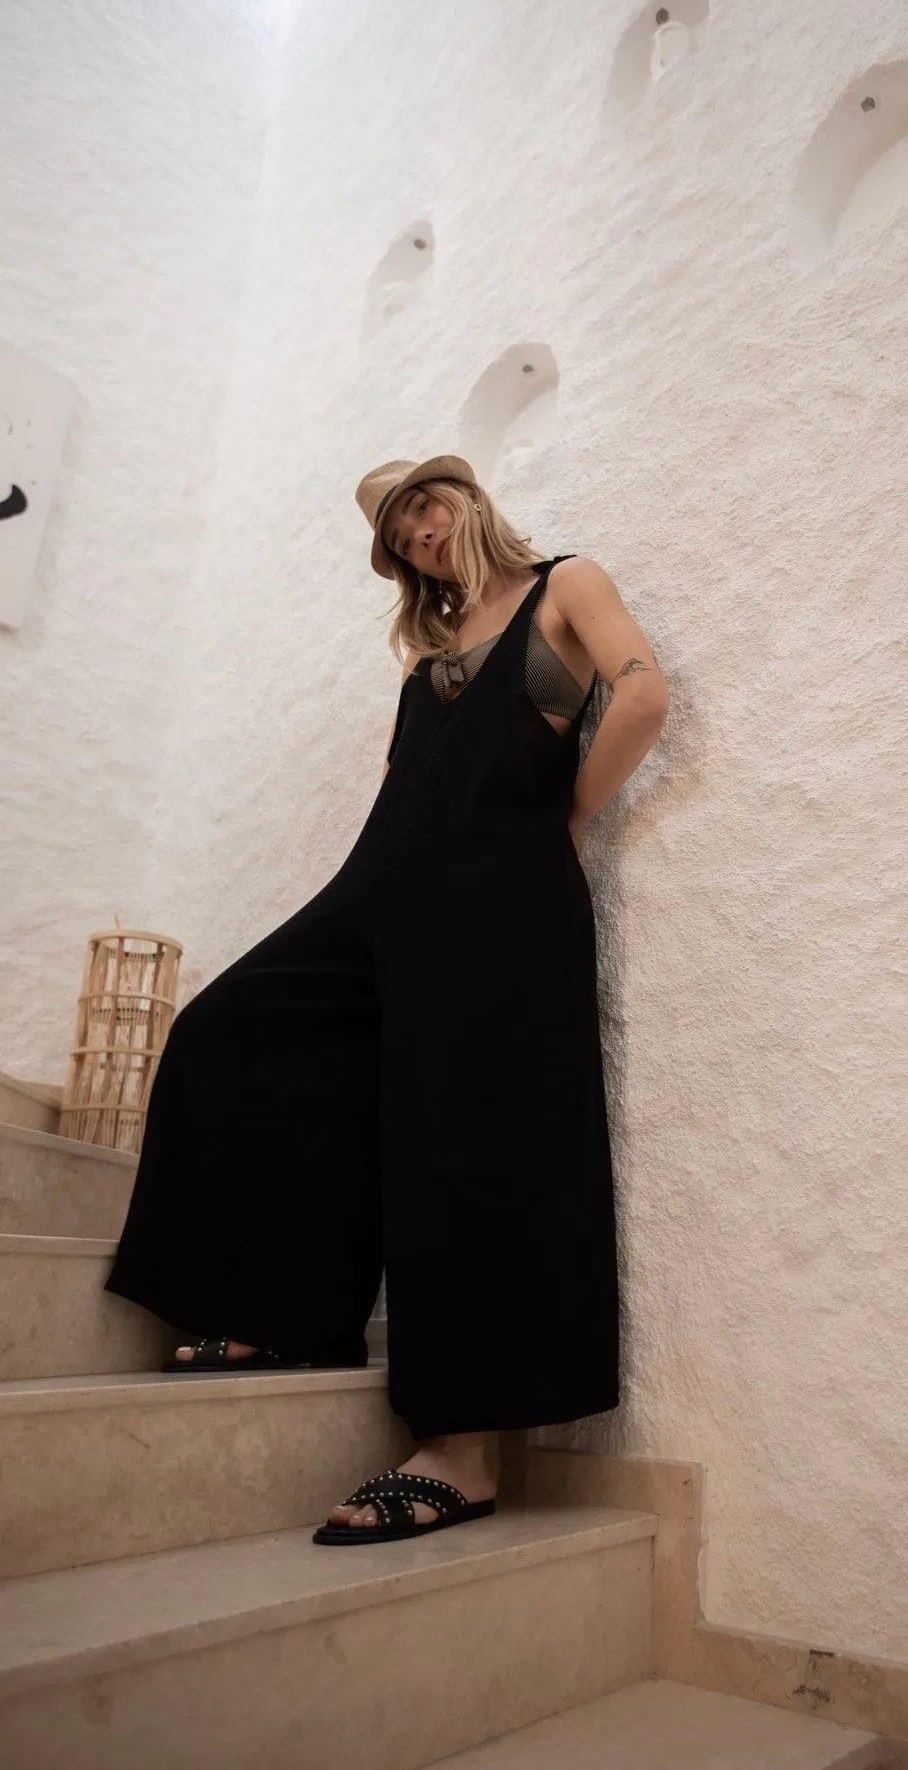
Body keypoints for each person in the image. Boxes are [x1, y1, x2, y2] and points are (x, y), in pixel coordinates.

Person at [104, 453, 670, 1546]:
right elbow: (399, 796)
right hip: (387, 891)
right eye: (399, 536)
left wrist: (568, 821)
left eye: (423, 507)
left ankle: (463, 1454)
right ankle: (283, 1310)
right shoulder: (430, 659)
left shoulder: (564, 587)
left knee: (460, 1142)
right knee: (230, 1033)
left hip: (500, 901)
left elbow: (641, 695)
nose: (418, 534)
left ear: (465, 498)